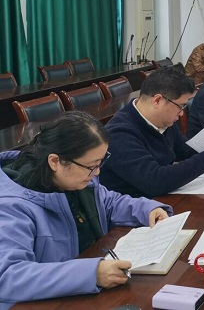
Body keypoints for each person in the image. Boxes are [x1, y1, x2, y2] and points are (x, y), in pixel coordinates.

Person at [0, 112, 172, 305]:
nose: (97, 172)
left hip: (82, 292)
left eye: (100, 163)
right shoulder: (10, 207)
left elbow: (109, 202)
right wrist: (92, 274)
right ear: (55, 161)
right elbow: (7, 276)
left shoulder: (76, 179)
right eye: (92, 166)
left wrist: (147, 209)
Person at [101, 67, 204, 198]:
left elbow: (185, 151)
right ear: (157, 100)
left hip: (162, 199)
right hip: (137, 208)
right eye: (180, 106)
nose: (182, 113)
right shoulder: (119, 134)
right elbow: (155, 181)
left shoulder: (163, 121)